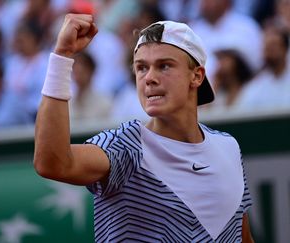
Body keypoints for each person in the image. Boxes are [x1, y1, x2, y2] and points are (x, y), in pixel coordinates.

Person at [34, 14, 254, 242]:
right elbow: (52, 163)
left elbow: (242, 237)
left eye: (164, 66)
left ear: (196, 76)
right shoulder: (126, 145)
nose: (149, 78)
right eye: (141, 68)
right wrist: (62, 56)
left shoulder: (228, 146)